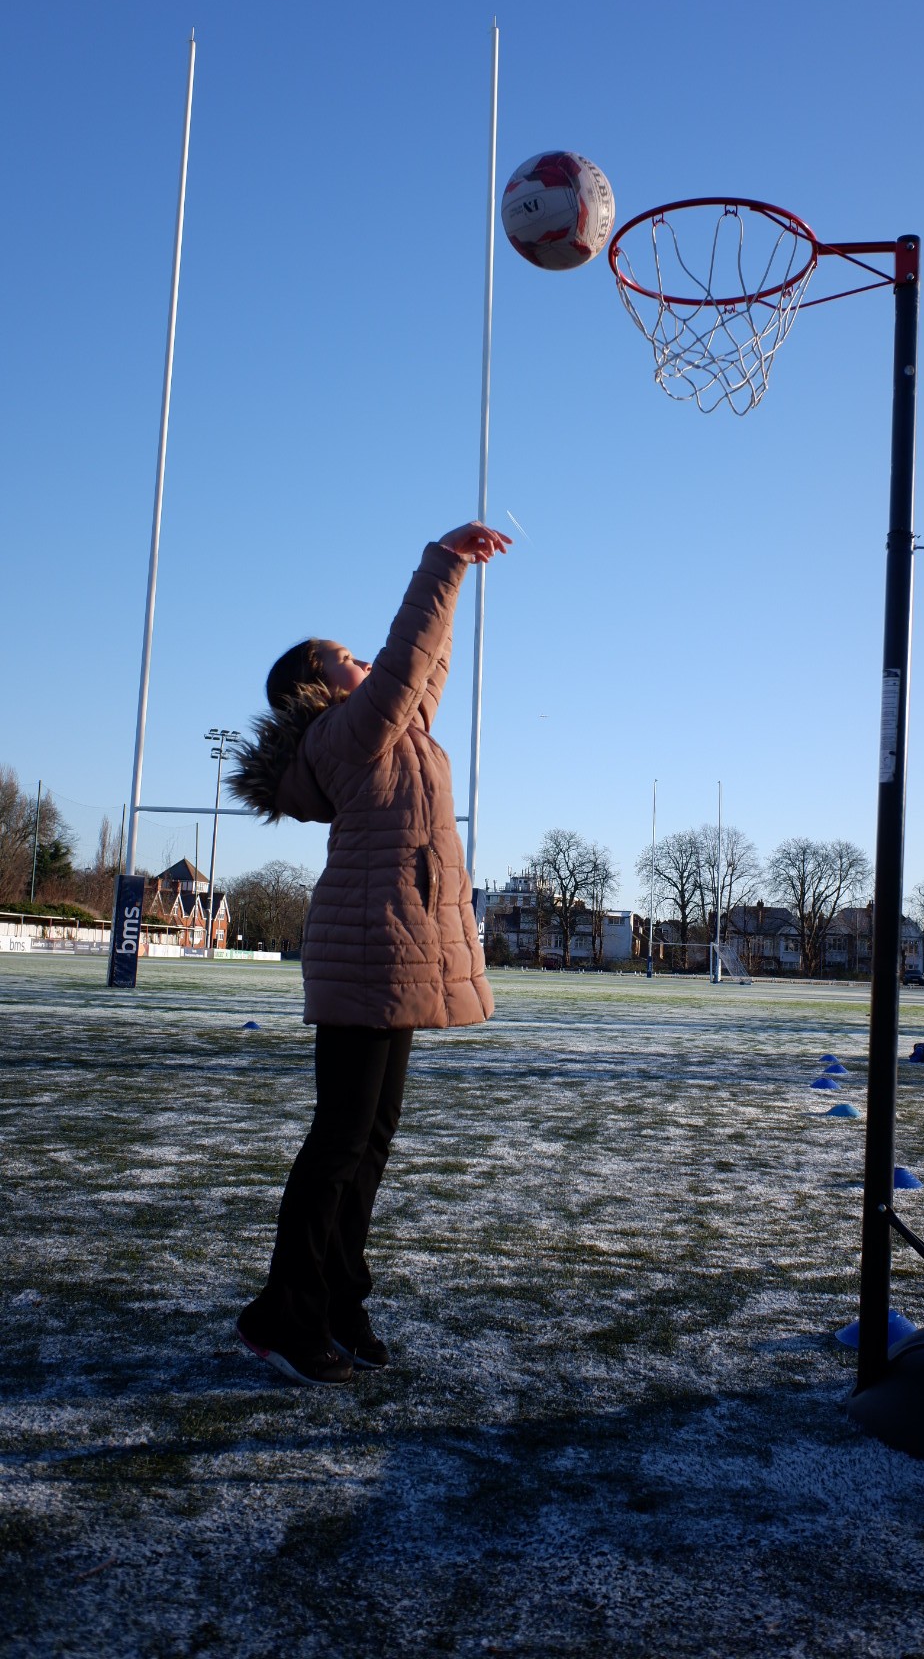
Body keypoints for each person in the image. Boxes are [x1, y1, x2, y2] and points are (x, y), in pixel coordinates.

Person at [229, 521, 512, 1384]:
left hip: (399, 954)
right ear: (319, 688)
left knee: (369, 1144)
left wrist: (459, 584)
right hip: (366, 955)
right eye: (344, 656)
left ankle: (342, 1305)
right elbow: (405, 656)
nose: (364, 662)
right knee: (339, 1144)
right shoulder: (345, 734)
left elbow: (427, 665)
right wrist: (441, 558)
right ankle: (285, 1317)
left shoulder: (394, 731)